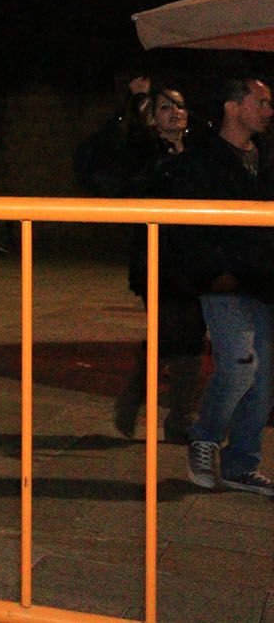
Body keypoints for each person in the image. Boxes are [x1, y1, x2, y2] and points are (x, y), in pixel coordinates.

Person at [75, 79, 202, 440]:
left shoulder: (199, 150)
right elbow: (102, 155)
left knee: (190, 336)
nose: (175, 112)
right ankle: (156, 406)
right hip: (157, 257)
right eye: (165, 107)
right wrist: (129, 104)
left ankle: (168, 412)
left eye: (180, 105)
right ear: (151, 119)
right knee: (171, 332)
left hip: (197, 260)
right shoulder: (143, 151)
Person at [165, 76, 274, 496]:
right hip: (224, 280)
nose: (268, 110)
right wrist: (211, 271)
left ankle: (241, 464)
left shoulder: (265, 156)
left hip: (264, 281)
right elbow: (190, 225)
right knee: (239, 366)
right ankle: (204, 436)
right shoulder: (202, 159)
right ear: (233, 106)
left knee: (264, 381)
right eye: (261, 101)